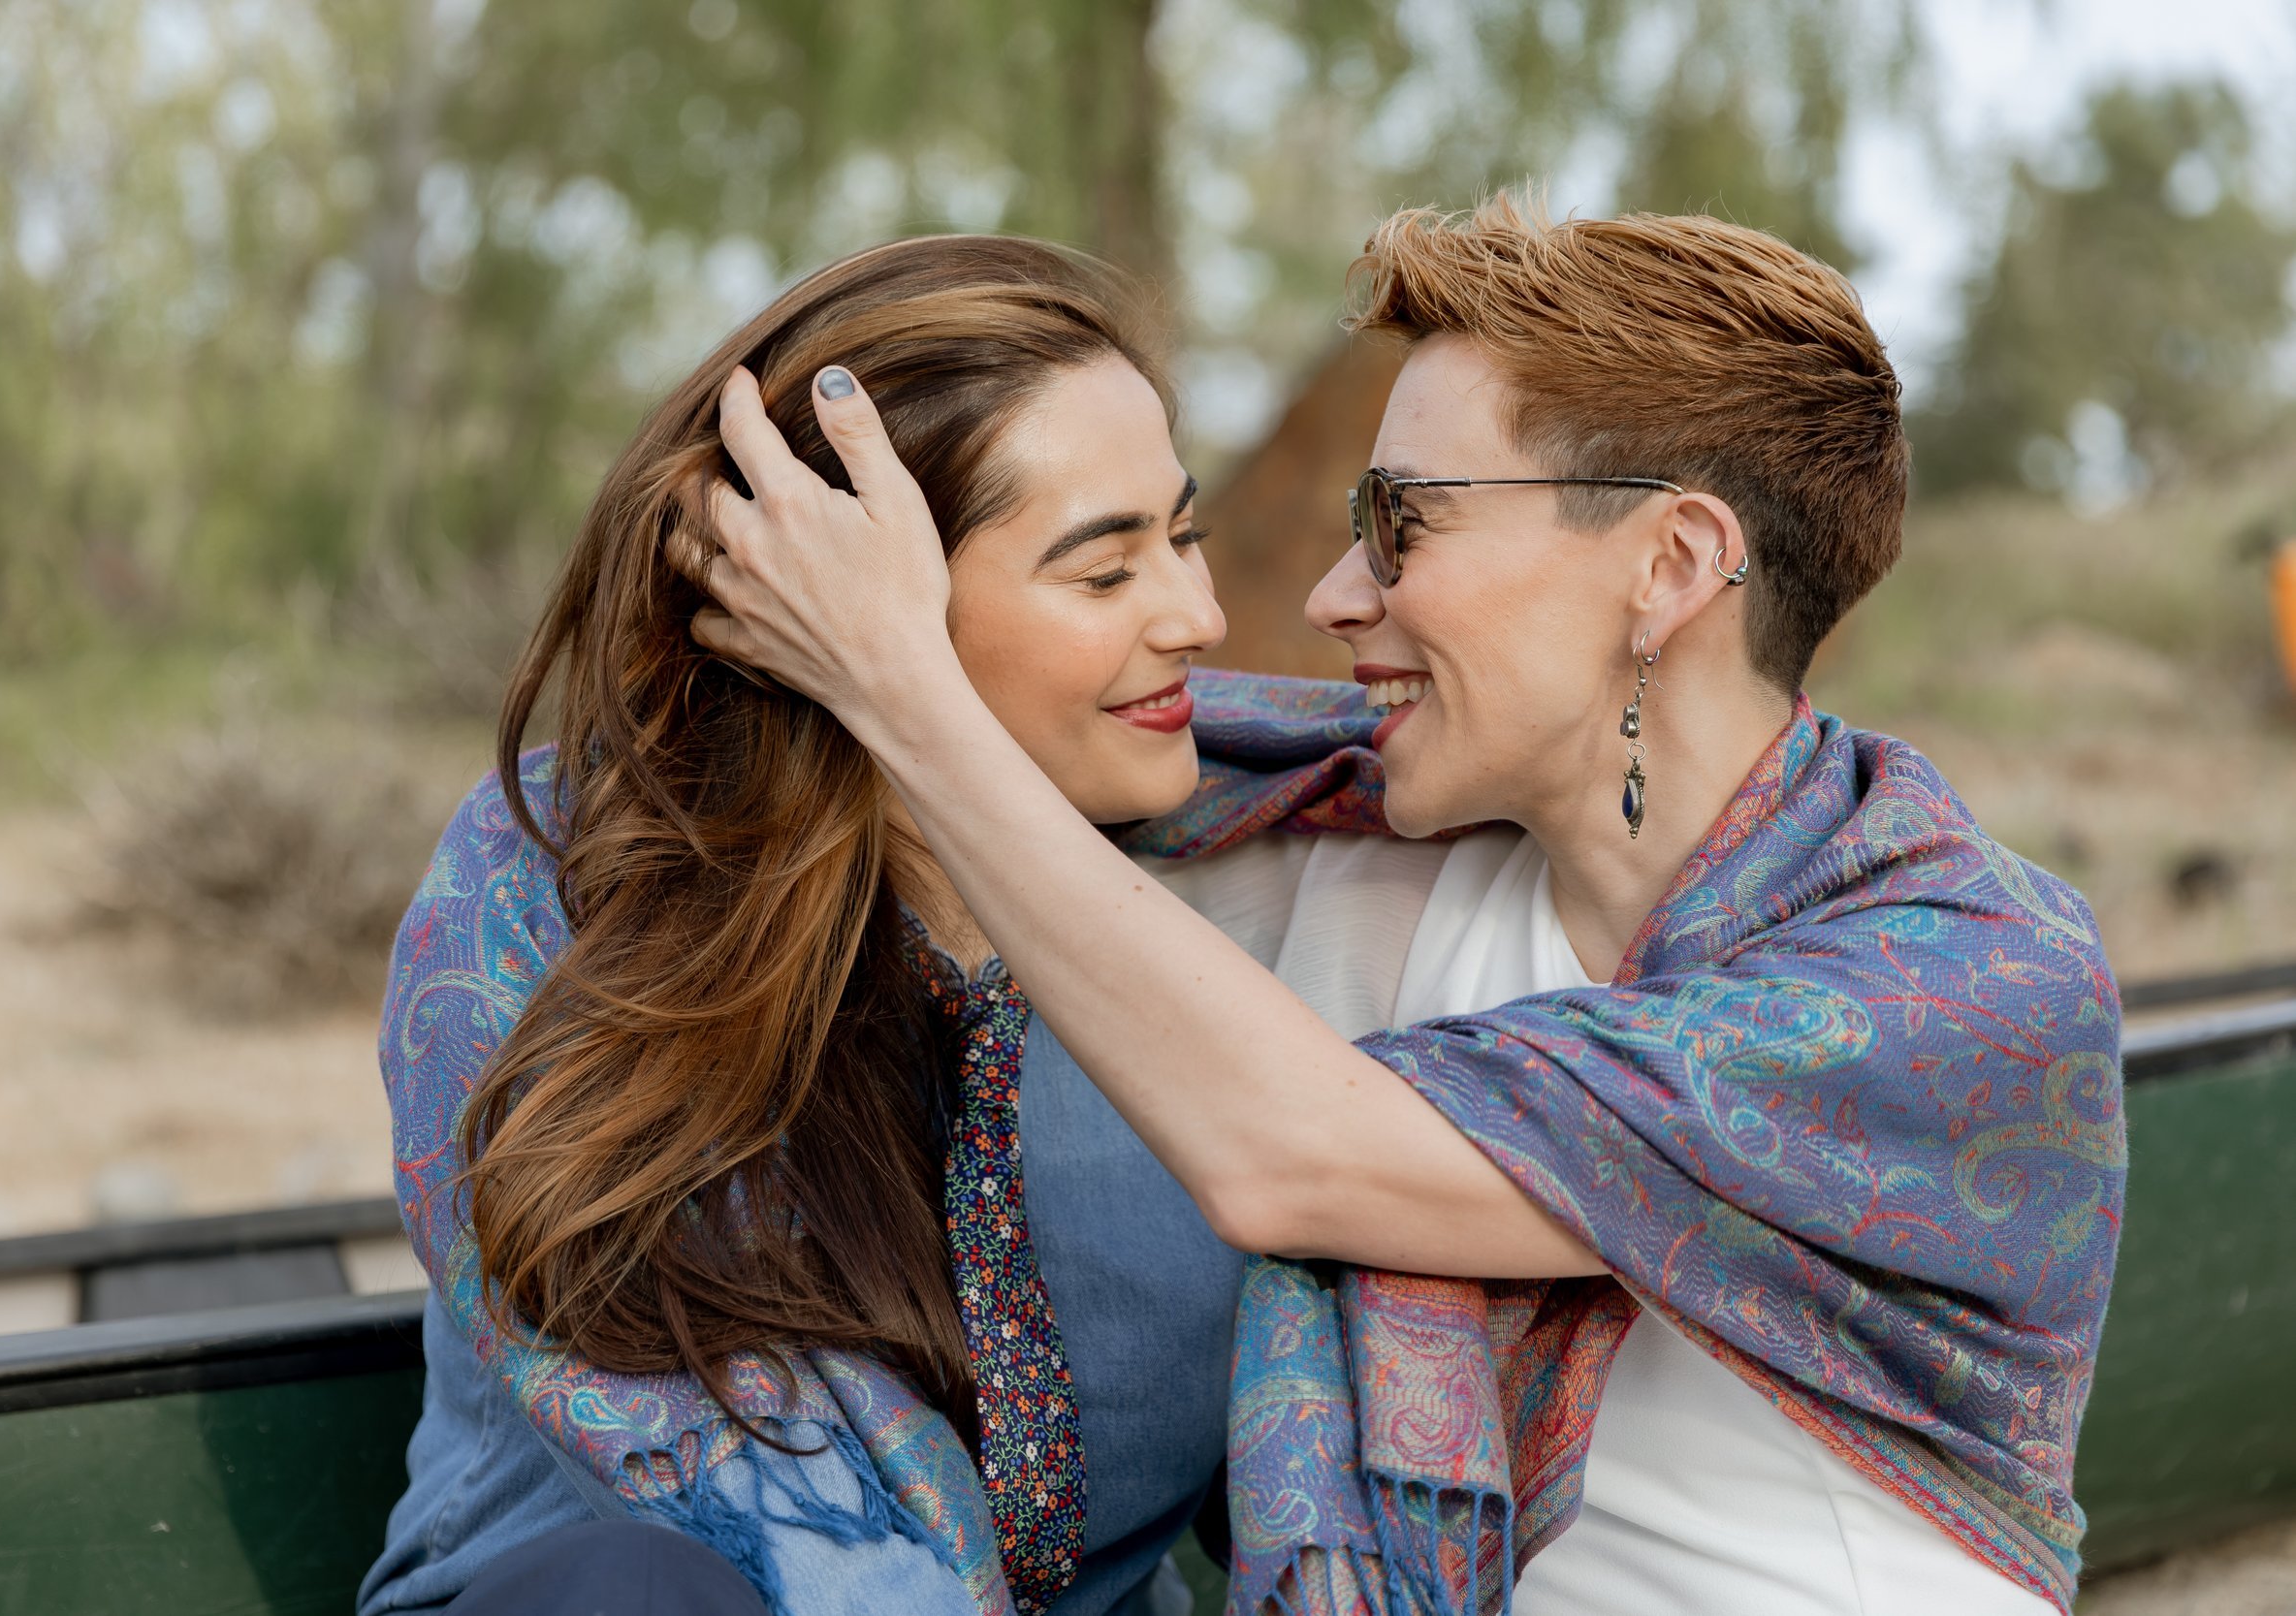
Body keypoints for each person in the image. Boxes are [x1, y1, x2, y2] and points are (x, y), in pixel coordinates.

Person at [691, 194, 2126, 1615]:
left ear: (1671, 566)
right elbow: (952, 820)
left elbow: (1291, 1151)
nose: (1329, 594)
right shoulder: (1350, 861)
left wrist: (897, 688)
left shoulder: (1969, 985)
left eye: (1402, 525)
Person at [361, 235, 1248, 1616]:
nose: (1202, 614)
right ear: (844, 605)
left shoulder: (1244, 896)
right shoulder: (558, 882)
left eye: (1184, 535)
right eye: (1104, 571)